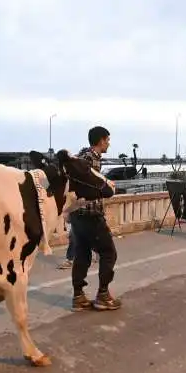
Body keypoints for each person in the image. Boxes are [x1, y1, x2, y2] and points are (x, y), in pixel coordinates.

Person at [69, 126, 120, 311]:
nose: (108, 143)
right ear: (100, 140)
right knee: (109, 253)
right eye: (107, 140)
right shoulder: (91, 159)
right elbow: (94, 188)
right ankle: (103, 296)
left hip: (77, 215)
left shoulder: (80, 158)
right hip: (91, 215)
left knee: (82, 254)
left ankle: (78, 297)